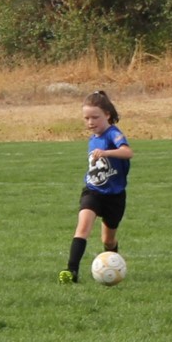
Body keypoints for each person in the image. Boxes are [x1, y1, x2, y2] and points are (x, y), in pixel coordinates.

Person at [60, 91, 134, 284]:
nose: (90, 122)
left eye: (95, 117)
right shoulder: (93, 138)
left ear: (107, 115)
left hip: (115, 196)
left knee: (108, 241)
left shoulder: (114, 133)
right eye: (86, 118)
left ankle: (113, 265)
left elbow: (128, 152)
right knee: (82, 227)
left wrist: (107, 152)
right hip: (93, 191)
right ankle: (71, 271)